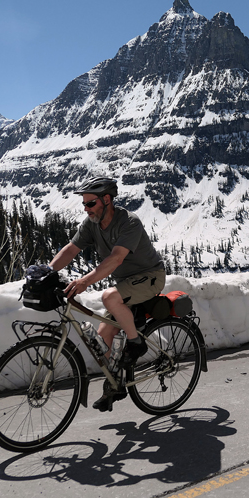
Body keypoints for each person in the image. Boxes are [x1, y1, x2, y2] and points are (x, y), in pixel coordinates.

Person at [49, 175, 166, 410]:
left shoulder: (129, 222)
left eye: (90, 203)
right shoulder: (91, 224)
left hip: (151, 277)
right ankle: (117, 385)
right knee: (102, 342)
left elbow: (116, 258)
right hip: (126, 284)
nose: (86, 209)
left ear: (107, 200)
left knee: (108, 297)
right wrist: (47, 271)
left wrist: (85, 281)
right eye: (84, 204)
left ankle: (135, 343)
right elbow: (72, 248)